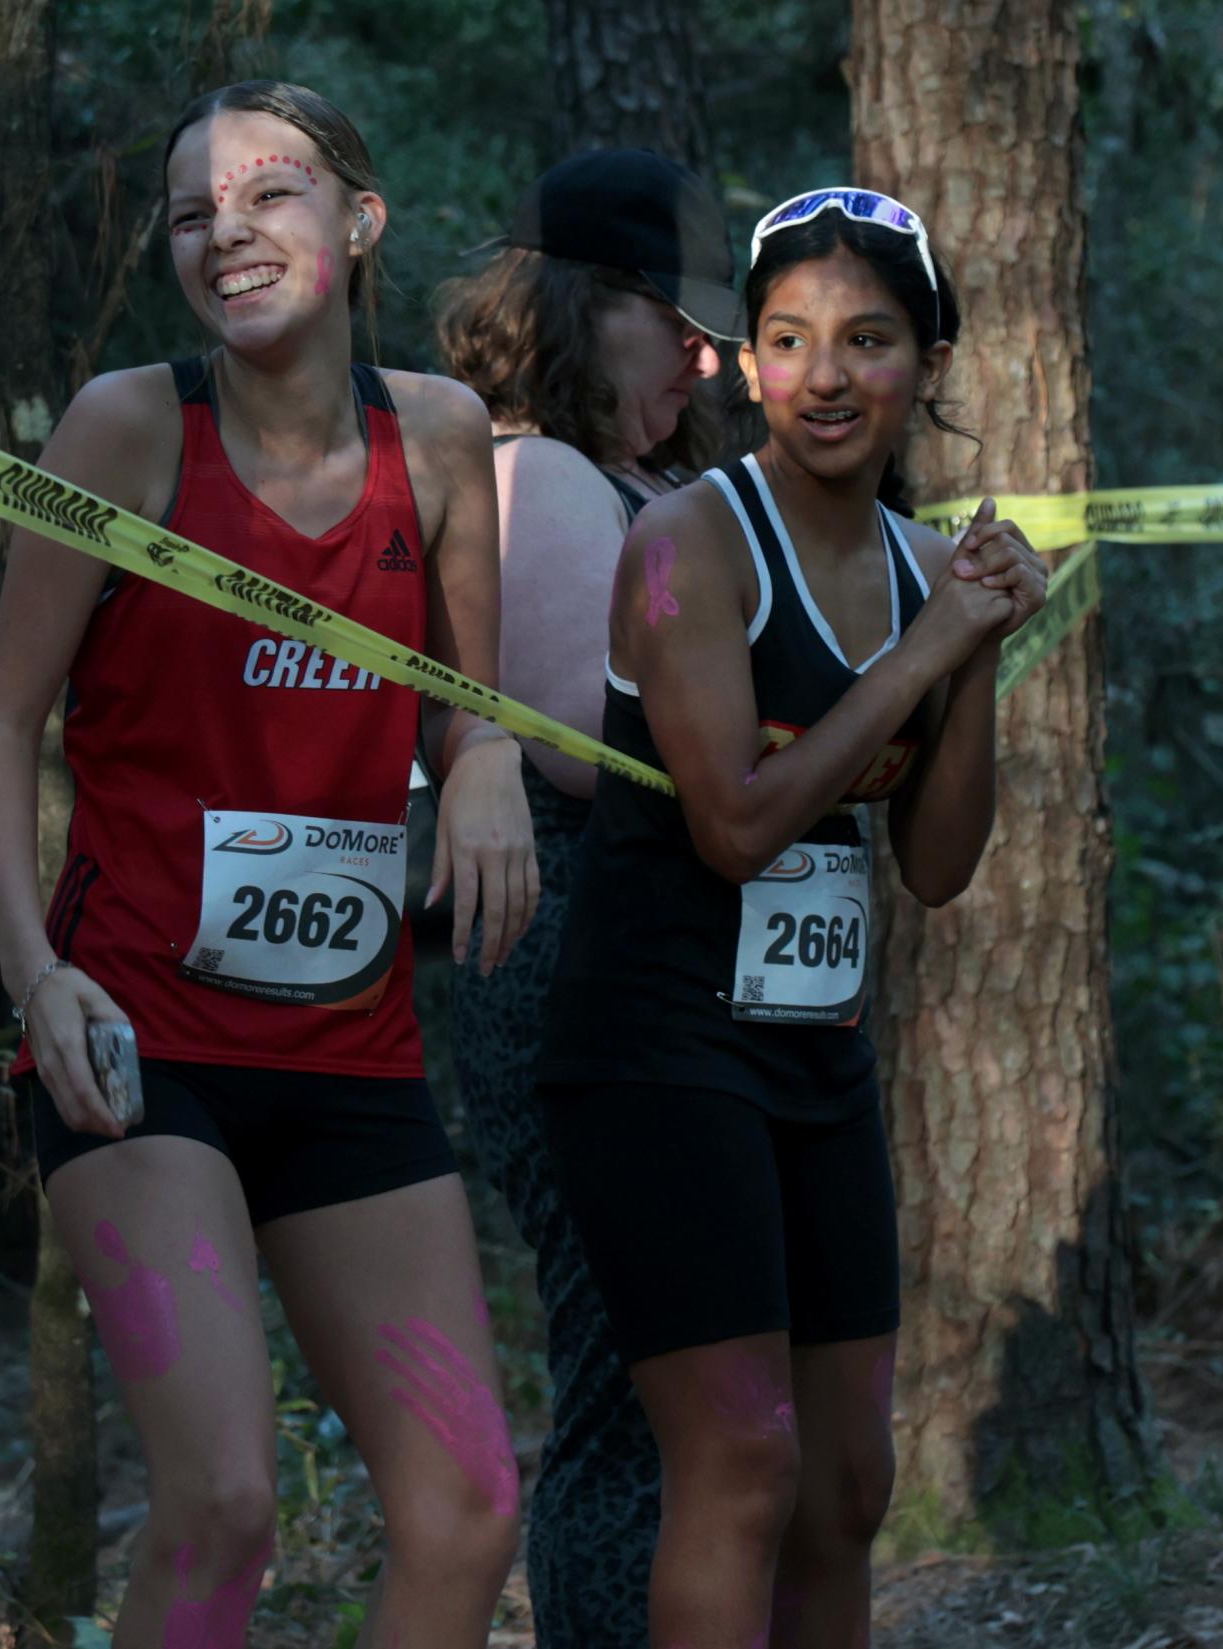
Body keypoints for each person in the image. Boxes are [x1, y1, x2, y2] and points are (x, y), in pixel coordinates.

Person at [0, 79, 537, 1649]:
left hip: (349, 1048)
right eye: (192, 213)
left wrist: (483, 758)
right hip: (141, 1040)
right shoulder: (128, 425)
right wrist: (38, 974)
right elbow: (1, 722)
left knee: (468, 1512)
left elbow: (461, 711)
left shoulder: (433, 436)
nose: (228, 232)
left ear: (358, 224)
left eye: (269, 194)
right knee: (223, 1503)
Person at [536, 188, 1048, 1647]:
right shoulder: (688, 542)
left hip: (813, 1054)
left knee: (846, 1482)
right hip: (652, 1046)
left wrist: (978, 656)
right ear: (745, 363)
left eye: (867, 340)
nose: (824, 375)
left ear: (927, 364)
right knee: (742, 1461)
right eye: (787, 339)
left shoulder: (914, 568)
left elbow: (937, 863)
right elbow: (737, 825)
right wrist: (929, 645)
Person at [431, 149, 739, 1646]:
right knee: (631, 1392)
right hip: (576, 969)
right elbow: (577, 743)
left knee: (697, 1389)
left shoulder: (642, 480)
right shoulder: (535, 471)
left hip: (670, 979)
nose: (702, 353)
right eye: (669, 320)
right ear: (579, 303)